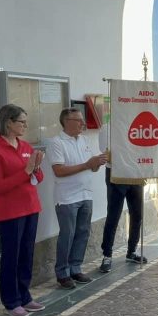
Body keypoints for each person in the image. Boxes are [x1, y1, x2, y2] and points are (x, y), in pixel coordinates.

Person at [0, 104, 46, 316]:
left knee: (26, 254)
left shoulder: (25, 145)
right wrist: (26, 171)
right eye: (22, 122)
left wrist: (36, 169)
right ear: (8, 122)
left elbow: (37, 178)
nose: (25, 126)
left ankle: (25, 295)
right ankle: (11, 301)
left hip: (30, 207)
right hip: (9, 212)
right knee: (11, 257)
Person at [47, 107, 107, 288]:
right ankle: (62, 273)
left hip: (85, 193)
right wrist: (88, 164)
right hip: (67, 197)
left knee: (82, 233)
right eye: (78, 120)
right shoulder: (56, 142)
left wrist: (97, 163)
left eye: (82, 120)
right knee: (68, 234)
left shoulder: (84, 140)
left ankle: (75, 268)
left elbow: (91, 167)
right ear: (66, 122)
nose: (82, 123)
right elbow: (59, 170)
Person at [98, 123, 146, 272]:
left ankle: (132, 251)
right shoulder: (107, 127)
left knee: (137, 214)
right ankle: (107, 255)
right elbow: (105, 151)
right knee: (114, 215)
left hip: (135, 173)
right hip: (116, 173)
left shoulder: (137, 126)